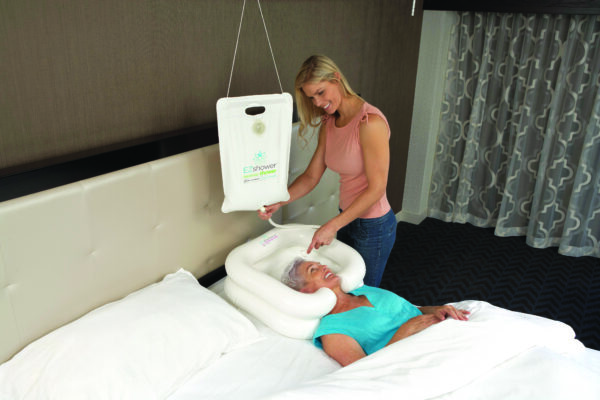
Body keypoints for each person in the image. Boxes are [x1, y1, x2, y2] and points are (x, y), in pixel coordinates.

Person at [258, 55, 396, 287]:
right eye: (312, 97)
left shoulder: (370, 123)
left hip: (373, 225)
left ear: (336, 78)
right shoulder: (330, 123)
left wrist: (333, 225)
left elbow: (377, 189)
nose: (318, 102)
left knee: (365, 294)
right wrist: (280, 201)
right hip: (347, 218)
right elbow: (312, 176)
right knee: (343, 290)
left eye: (321, 92)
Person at [282, 258, 470, 367]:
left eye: (321, 263)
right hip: (416, 359)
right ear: (305, 291)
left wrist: (437, 309)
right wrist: (405, 331)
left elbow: (411, 309)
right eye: (313, 270)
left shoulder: (365, 290)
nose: (324, 267)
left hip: (443, 333)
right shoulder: (332, 330)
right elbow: (365, 369)